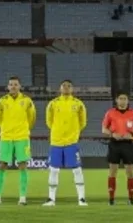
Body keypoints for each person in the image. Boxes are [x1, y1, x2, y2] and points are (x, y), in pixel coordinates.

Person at [44, 79, 88, 207]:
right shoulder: (53, 103)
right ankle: (51, 199)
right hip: (56, 142)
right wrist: (58, 131)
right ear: (60, 88)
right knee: (53, 170)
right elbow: (49, 122)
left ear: (72, 89)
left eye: (69, 86)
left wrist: (73, 133)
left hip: (71, 142)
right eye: (64, 85)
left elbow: (83, 122)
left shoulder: (78, 104)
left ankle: (81, 199)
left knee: (77, 170)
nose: (66, 87)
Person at [0, 75, 35, 205]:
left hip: (22, 137)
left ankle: (22, 198)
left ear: (20, 86)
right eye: (11, 84)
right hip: (6, 137)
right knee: (2, 165)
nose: (13, 86)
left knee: (22, 165)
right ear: (8, 86)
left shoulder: (27, 100)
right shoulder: (2, 101)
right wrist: (6, 128)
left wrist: (23, 129)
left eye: (16, 84)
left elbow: (32, 118)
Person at [101, 91, 133, 206]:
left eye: (125, 99)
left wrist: (132, 134)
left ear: (128, 101)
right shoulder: (110, 113)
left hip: (128, 145)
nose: (123, 101)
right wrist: (112, 134)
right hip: (114, 144)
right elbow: (104, 129)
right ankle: (111, 199)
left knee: (130, 173)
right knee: (112, 172)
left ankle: (131, 199)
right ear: (116, 100)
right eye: (120, 98)